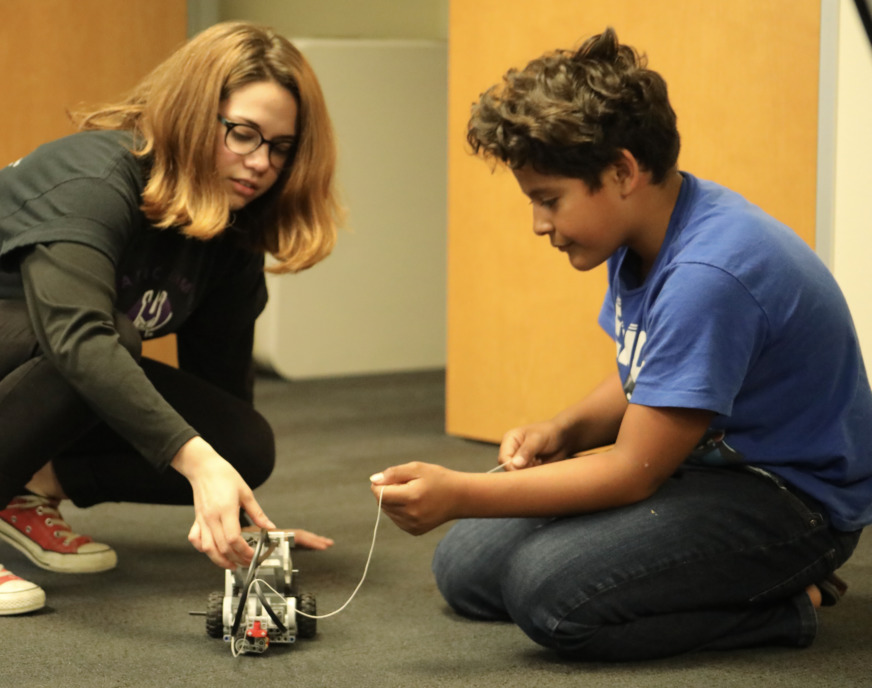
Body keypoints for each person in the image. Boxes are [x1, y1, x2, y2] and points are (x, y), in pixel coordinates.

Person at [370, 28, 872, 661]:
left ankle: (791, 605)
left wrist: (461, 491)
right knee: (466, 568)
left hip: (791, 500)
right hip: (702, 463)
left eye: (549, 200)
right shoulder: (639, 233)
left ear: (623, 171)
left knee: (549, 596)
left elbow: (631, 472)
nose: (538, 224)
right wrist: (567, 428)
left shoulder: (708, 275)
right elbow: (650, 372)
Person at [0, 21, 340, 616]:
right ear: (190, 113)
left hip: (46, 357)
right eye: (242, 134)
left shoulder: (232, 229)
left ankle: (26, 490)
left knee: (244, 446)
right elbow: (76, 336)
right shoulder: (95, 177)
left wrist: (242, 512)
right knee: (105, 341)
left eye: (280, 147)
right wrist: (194, 461)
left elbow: (220, 386)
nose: (261, 162)